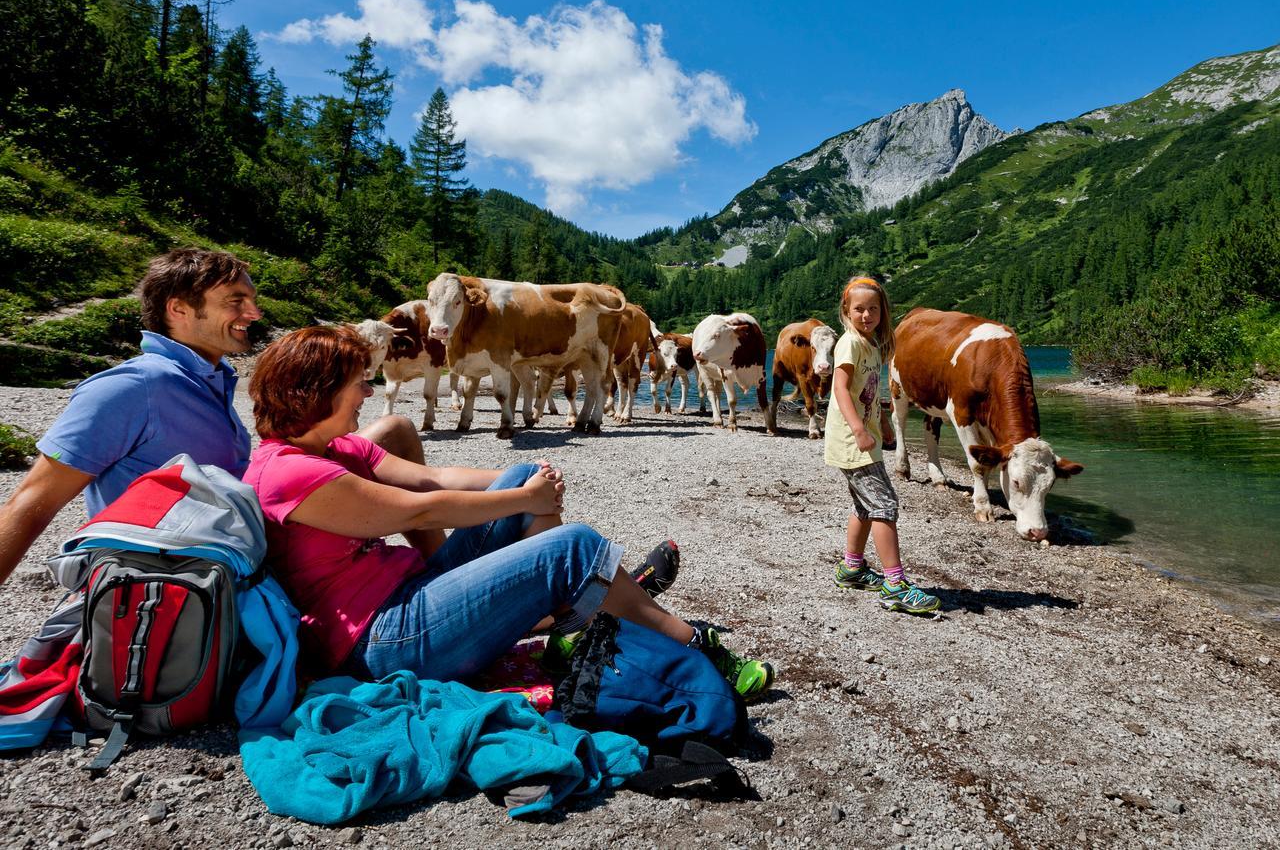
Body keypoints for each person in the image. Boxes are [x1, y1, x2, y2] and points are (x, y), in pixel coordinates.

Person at [242, 325, 775, 701]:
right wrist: (524, 502)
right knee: (573, 545)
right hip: (382, 642)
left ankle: (580, 608)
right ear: (315, 391)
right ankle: (688, 643)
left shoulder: (332, 448)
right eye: (358, 381)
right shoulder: (288, 473)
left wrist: (529, 481)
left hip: (407, 599)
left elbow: (434, 478)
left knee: (522, 477)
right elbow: (414, 509)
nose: (370, 391)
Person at [0, 248, 421, 587]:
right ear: (179, 309)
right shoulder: (131, 387)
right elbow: (32, 501)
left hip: (242, 538)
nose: (253, 313)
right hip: (192, 574)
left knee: (395, 430)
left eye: (252, 301)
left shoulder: (209, 379)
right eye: (236, 301)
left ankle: (432, 562)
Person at [825, 276, 940, 615]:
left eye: (873, 309)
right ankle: (894, 585)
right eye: (859, 309)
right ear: (846, 310)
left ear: (882, 312)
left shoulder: (872, 344)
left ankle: (852, 568)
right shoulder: (849, 344)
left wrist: (885, 422)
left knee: (865, 505)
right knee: (885, 505)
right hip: (852, 439)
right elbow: (841, 389)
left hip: (864, 437)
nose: (866, 315)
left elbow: (871, 392)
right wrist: (860, 429)